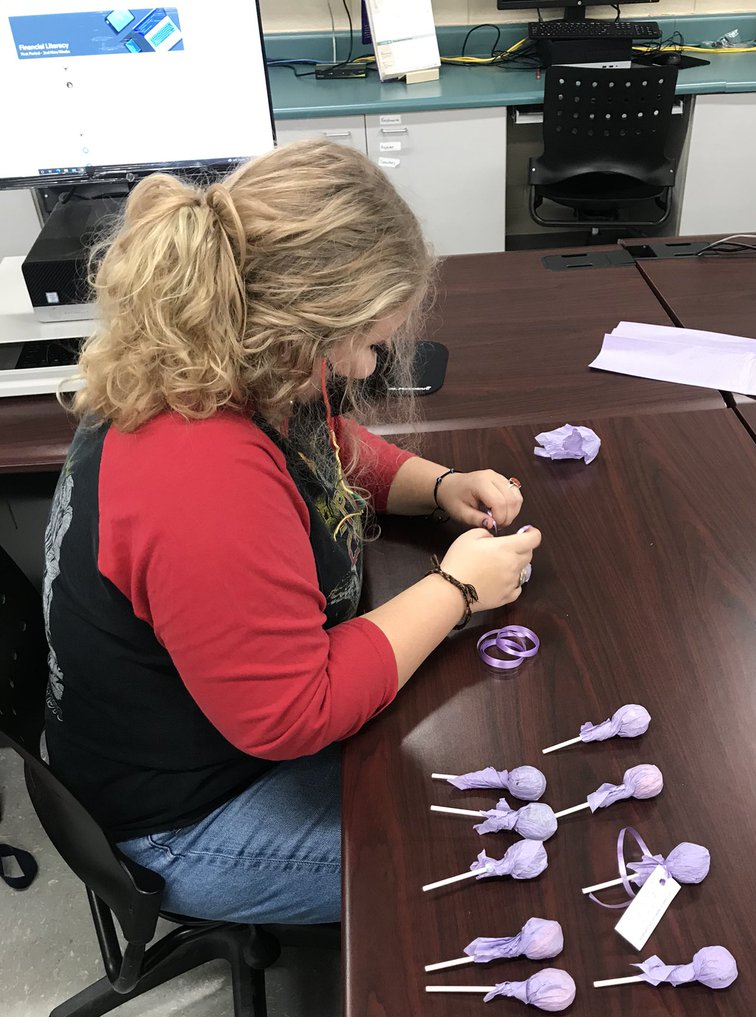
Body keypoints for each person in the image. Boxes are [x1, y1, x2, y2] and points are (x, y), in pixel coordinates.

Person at [42, 140, 540, 925]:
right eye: (374, 344)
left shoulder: (221, 353)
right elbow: (294, 711)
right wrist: (458, 590)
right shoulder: (200, 476)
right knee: (493, 848)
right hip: (185, 819)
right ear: (317, 325)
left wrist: (437, 488)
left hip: (200, 740)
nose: (369, 363)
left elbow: (324, 444)